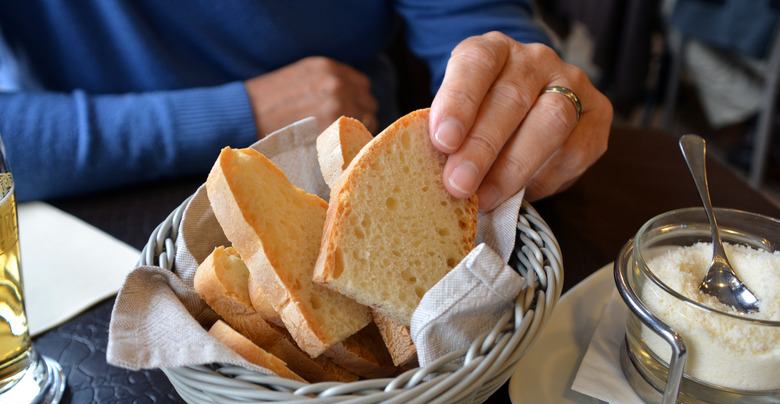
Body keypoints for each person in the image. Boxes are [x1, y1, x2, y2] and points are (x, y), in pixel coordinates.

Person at [0, 1, 612, 211]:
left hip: (350, 179)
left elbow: (473, 24)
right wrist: (239, 112)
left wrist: (520, 83)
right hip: (86, 219)